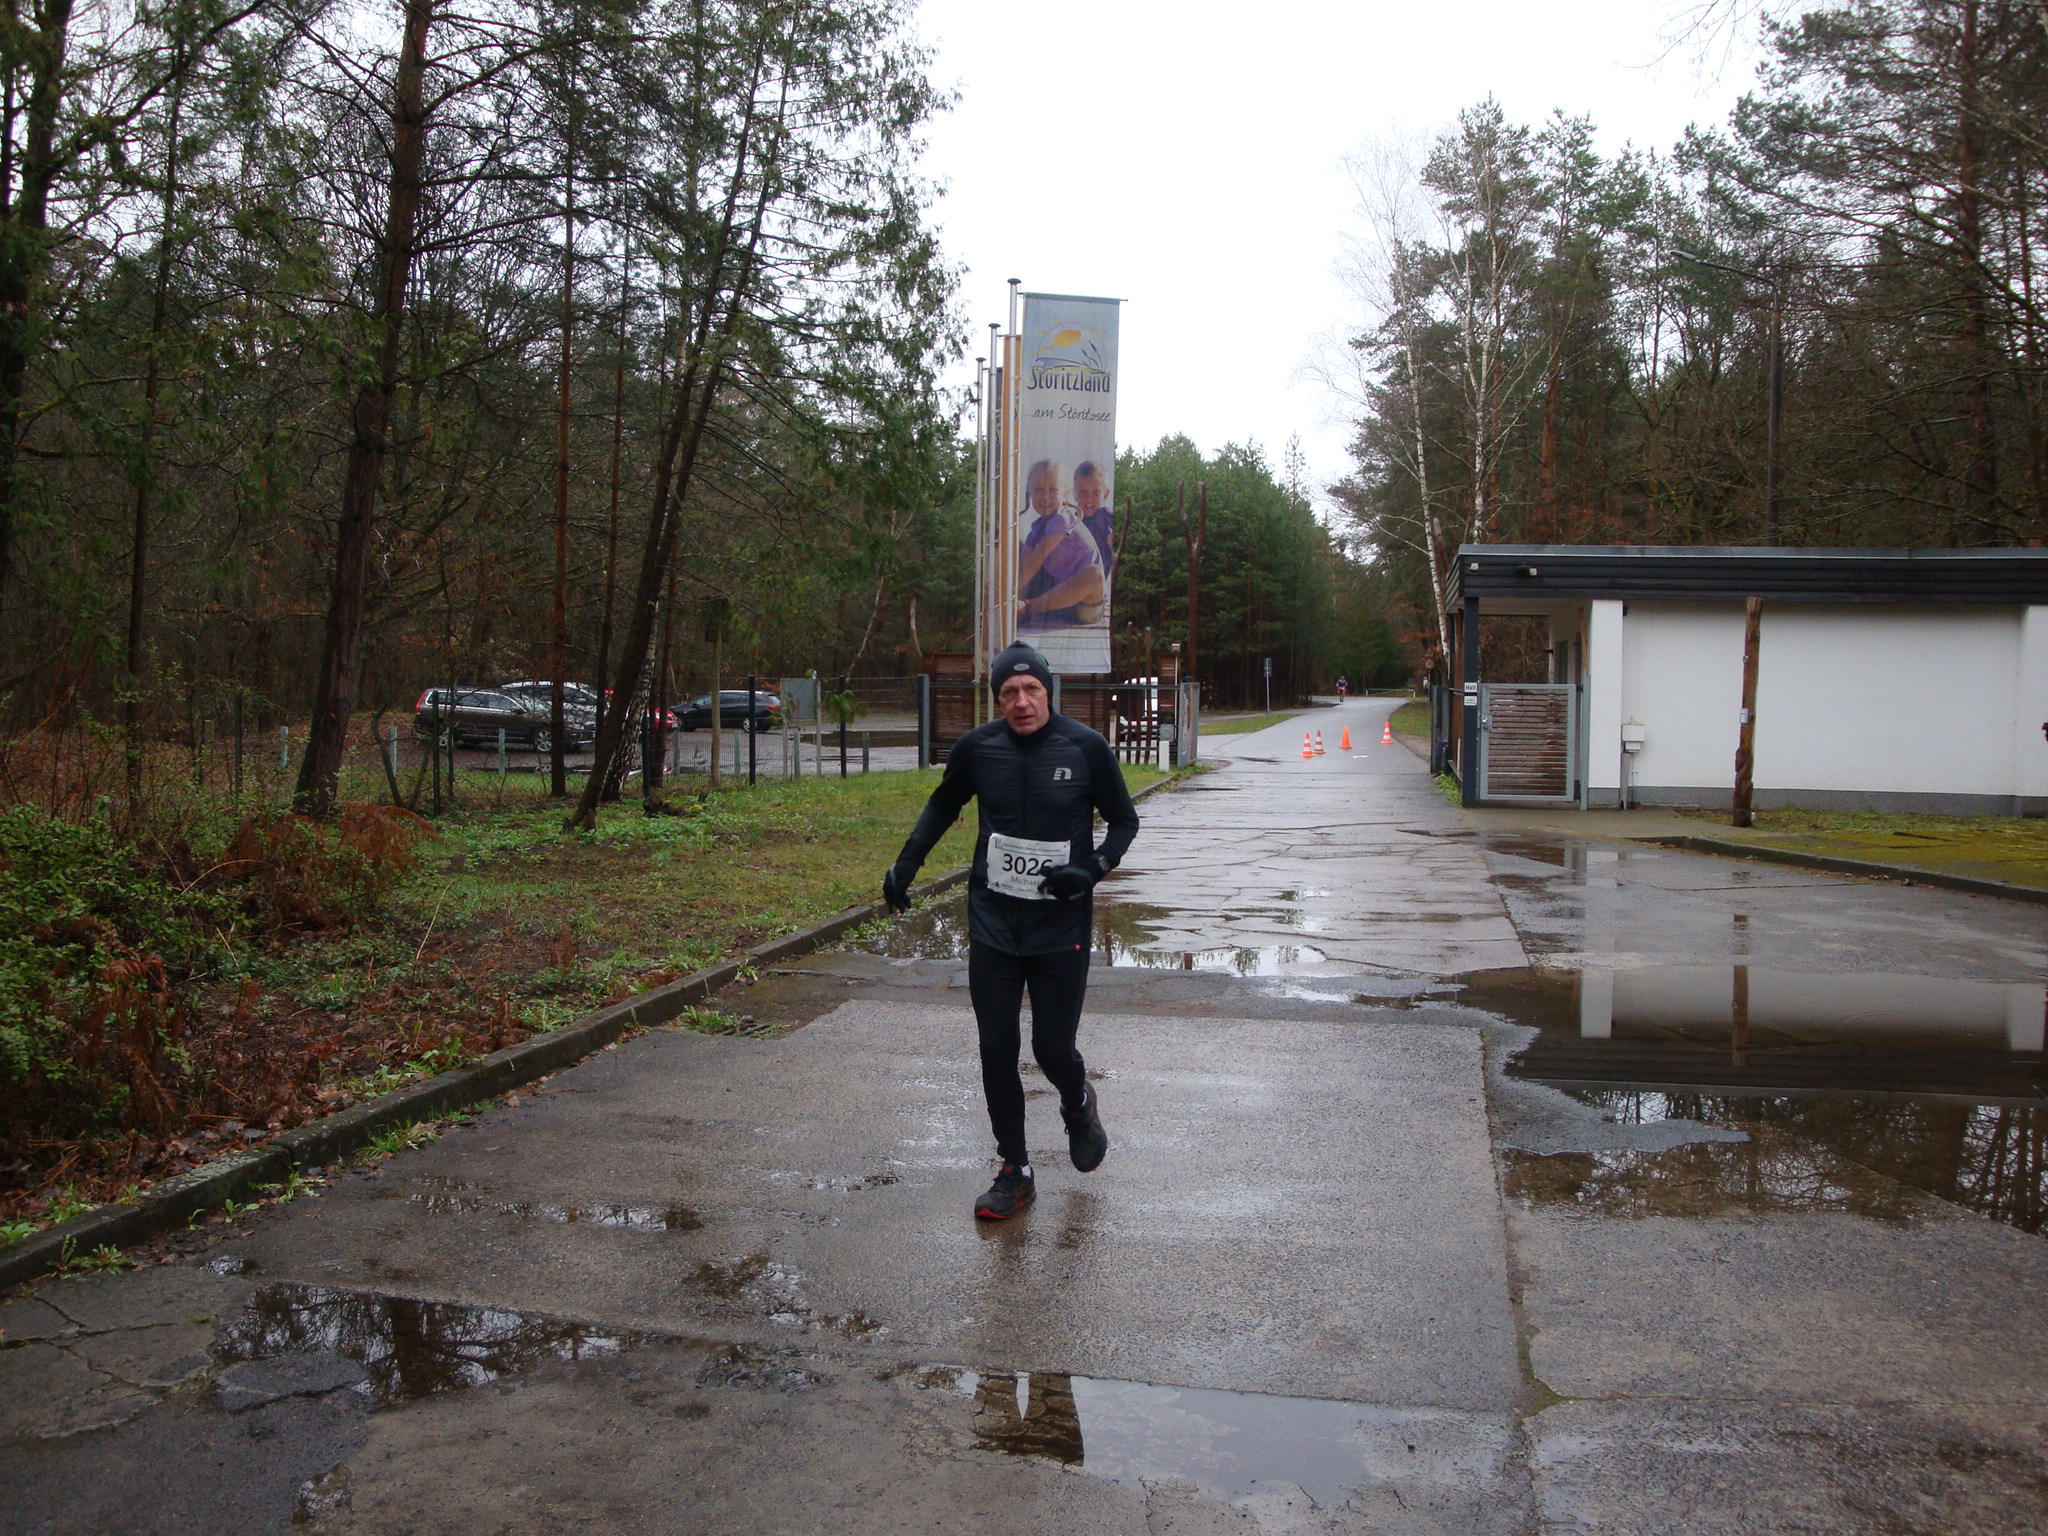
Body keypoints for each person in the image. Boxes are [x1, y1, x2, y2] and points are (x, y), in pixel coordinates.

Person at [883, 642, 1140, 1220]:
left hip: (1059, 926)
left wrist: (1091, 869)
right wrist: (907, 863)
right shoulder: (979, 748)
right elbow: (943, 805)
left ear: (1048, 692)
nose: (1021, 702)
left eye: (1032, 690)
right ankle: (1014, 1170)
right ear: (997, 698)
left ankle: (1077, 1103)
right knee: (997, 1048)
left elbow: (1124, 821)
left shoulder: (1086, 747)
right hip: (994, 923)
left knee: (1051, 1049)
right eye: (1009, 692)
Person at [1017, 459, 1105, 630]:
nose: (1045, 496)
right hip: (1057, 599)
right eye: (1039, 489)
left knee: (1094, 574)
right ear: (1030, 492)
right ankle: (1017, 606)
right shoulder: (1036, 530)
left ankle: (1028, 607)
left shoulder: (1062, 519)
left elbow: (1036, 559)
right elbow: (1024, 569)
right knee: (1016, 546)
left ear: (1065, 494)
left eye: (1053, 490)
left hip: (1085, 605)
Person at [1072, 461, 1116, 579]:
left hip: (1094, 580)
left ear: (1105, 494)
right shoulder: (1072, 521)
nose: (1089, 498)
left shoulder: (1105, 517)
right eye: (1083, 492)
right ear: (1075, 494)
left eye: (1095, 492)